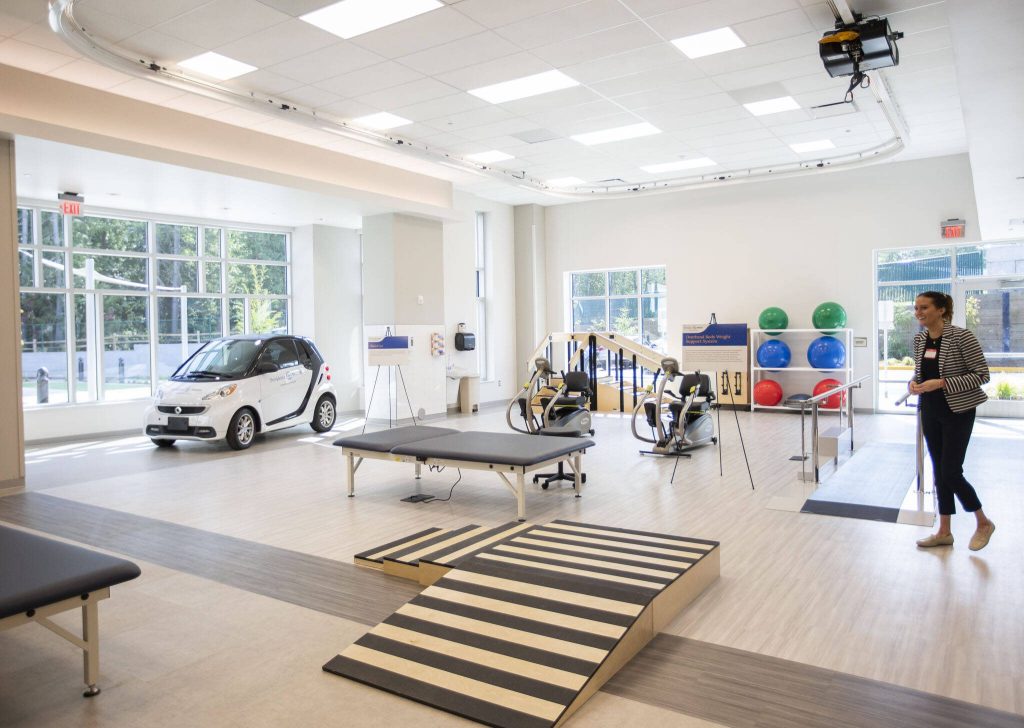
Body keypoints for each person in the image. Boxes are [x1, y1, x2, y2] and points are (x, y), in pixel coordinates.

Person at [909, 291, 995, 551]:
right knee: (938, 470)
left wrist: (943, 383)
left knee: (950, 471)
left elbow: (982, 375)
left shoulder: (961, 336)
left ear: (941, 310)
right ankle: (944, 531)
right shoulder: (919, 339)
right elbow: (920, 373)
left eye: (924, 307)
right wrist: (914, 384)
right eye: (916, 308)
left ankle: (982, 522)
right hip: (930, 410)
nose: (919, 312)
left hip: (958, 410)